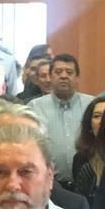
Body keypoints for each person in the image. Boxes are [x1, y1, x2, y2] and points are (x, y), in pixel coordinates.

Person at [28, 53, 93, 184]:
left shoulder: (91, 105)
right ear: (51, 77)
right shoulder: (34, 107)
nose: (64, 76)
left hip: (87, 183)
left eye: (69, 72)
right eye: (58, 72)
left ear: (77, 78)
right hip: (49, 183)